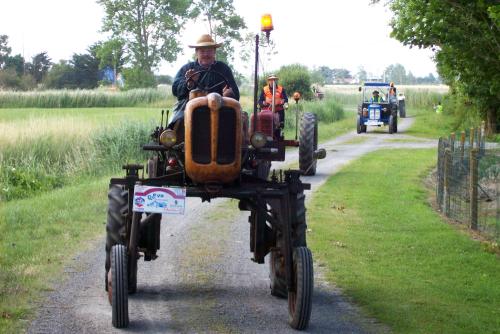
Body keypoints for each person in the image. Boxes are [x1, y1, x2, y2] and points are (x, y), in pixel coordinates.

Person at [169, 34, 240, 129]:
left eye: (209, 51)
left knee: (237, 122)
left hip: (220, 109)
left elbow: (235, 93)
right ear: (196, 52)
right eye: (202, 51)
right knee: (176, 124)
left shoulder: (223, 69)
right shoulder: (187, 68)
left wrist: (229, 94)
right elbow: (175, 90)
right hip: (191, 110)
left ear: (214, 52)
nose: (206, 54)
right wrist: (189, 83)